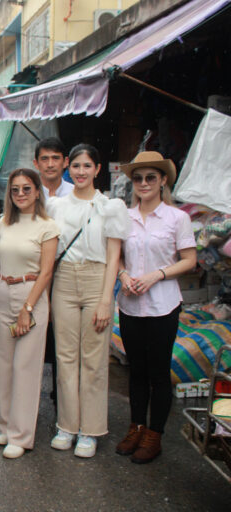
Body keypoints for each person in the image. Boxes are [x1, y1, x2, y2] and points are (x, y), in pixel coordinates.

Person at [47, 144, 131, 458]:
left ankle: (90, 430)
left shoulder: (111, 206)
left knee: (94, 359)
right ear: (70, 168)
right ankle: (67, 426)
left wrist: (107, 300)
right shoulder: (56, 206)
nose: (81, 172)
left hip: (97, 278)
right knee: (65, 356)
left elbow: (114, 255)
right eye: (77, 166)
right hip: (64, 280)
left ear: (97, 169)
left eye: (87, 166)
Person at [116, 151, 197, 464]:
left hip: (164, 304)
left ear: (163, 180)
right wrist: (123, 274)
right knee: (136, 370)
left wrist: (157, 274)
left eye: (151, 177)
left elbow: (189, 259)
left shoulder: (178, 218)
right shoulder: (124, 216)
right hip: (130, 305)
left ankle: (155, 434)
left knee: (158, 372)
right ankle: (136, 426)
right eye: (138, 178)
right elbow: (118, 254)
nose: (144, 183)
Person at [0, 169, 59, 459]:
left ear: (37, 192)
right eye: (15, 189)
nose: (20, 194)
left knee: (26, 368)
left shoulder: (47, 226)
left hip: (31, 294)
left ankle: (22, 436)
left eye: (26, 189)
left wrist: (28, 308)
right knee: (4, 364)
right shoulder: (3, 223)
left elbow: (47, 272)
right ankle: (7, 427)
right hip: (3, 292)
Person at [33, 137, 72, 410]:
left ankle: (62, 404)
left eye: (55, 158)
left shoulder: (76, 192)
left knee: (63, 340)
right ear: (36, 163)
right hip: (33, 273)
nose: (50, 164)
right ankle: (30, 404)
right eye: (44, 159)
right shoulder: (28, 192)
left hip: (66, 273)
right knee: (34, 337)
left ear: (65, 162)